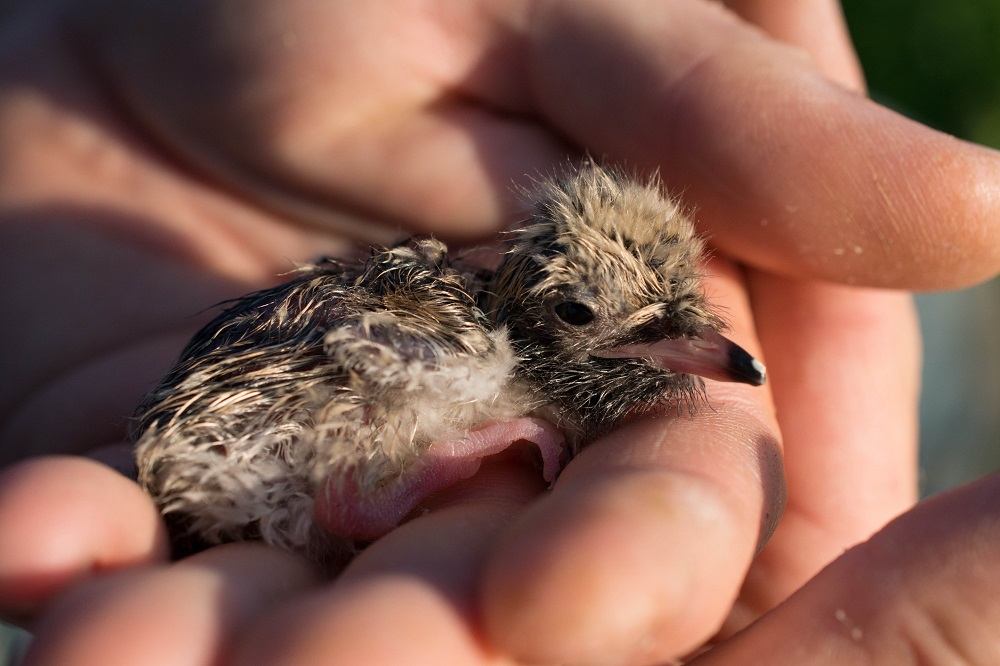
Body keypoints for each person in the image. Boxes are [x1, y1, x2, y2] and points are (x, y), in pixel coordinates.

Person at [0, 0, 998, 663]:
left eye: (674, 322)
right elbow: (329, 442)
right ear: (535, 310)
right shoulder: (461, 341)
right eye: (590, 320)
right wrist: (484, 443)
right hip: (231, 446)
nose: (701, 353)